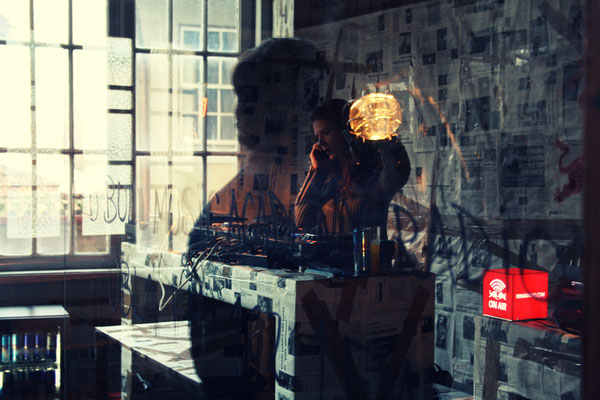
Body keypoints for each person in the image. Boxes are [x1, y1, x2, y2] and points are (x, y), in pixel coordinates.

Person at [294, 99, 411, 236]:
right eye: (317, 137)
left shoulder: (375, 175)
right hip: (329, 251)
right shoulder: (327, 178)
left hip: (366, 250)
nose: (320, 143)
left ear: (348, 132)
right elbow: (302, 221)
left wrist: (378, 134)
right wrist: (317, 171)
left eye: (326, 133)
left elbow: (396, 172)